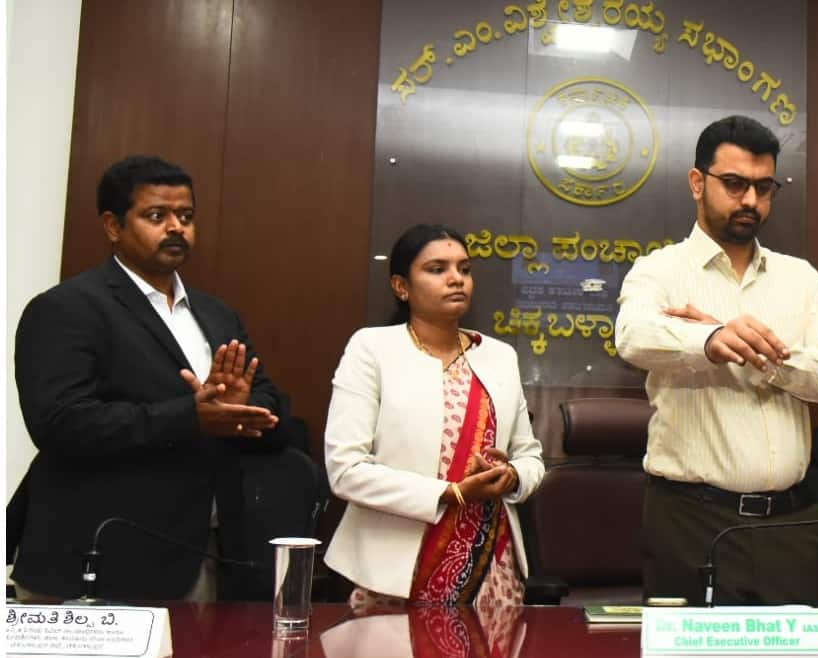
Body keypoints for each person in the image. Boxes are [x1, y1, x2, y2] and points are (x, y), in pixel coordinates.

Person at [12, 155, 288, 600]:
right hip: (102, 556)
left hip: (207, 553)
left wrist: (243, 410)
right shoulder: (66, 308)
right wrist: (191, 417)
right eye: (157, 216)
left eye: (186, 216)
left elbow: (270, 400)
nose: (177, 227)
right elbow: (59, 422)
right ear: (113, 226)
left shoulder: (216, 313)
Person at [615, 115, 818, 605]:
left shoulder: (800, 278)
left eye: (764, 188)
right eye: (734, 184)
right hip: (691, 521)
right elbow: (633, 336)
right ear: (697, 182)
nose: (750, 200)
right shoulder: (659, 270)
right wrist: (711, 338)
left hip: (790, 524)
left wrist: (756, 354)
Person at [323, 224, 544, 608]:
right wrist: (450, 493)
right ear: (401, 286)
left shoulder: (499, 356)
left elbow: (530, 456)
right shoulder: (372, 349)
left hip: (490, 565)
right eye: (437, 269)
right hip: (396, 569)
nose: (456, 279)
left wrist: (512, 476)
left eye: (464, 269)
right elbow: (346, 470)